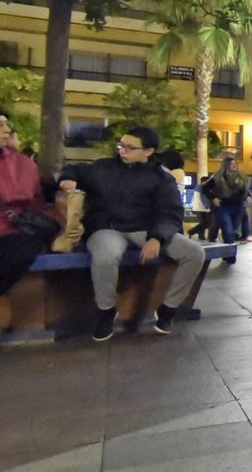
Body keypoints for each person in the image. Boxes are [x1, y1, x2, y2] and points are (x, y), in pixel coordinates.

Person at [57, 126, 207, 341]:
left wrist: (157, 238)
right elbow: (74, 170)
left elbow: (170, 212)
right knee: (105, 256)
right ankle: (106, 311)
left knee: (194, 253)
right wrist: (66, 179)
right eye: (121, 146)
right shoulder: (104, 168)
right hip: (107, 228)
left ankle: (169, 307)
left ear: (148, 151)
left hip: (145, 229)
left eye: (130, 147)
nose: (122, 151)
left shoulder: (161, 178)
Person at [0, 110, 57, 296]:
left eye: (7, 124)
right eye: (1, 125)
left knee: (22, 250)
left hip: (15, 228)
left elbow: (33, 200)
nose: (7, 130)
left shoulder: (22, 163)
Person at [207, 155, 249, 249]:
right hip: (224, 206)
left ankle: (228, 252)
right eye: (231, 163)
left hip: (238, 206)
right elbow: (205, 188)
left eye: (235, 163)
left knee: (233, 231)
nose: (234, 165)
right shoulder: (218, 177)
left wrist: (248, 196)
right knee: (228, 231)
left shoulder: (241, 177)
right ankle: (230, 257)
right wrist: (213, 198)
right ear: (226, 165)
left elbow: (245, 190)